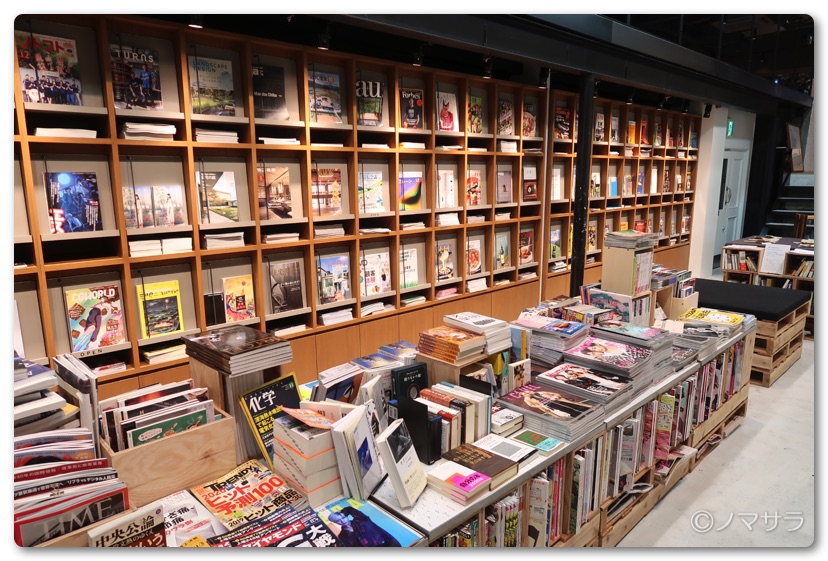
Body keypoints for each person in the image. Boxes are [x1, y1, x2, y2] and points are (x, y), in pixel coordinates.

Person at [326, 506, 400, 547]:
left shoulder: (361, 519)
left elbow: (349, 509)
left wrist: (343, 512)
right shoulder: (343, 536)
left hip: (388, 544)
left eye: (342, 518)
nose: (342, 521)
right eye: (338, 521)